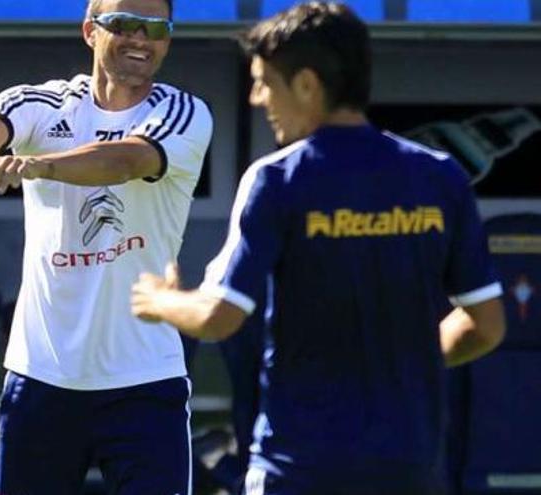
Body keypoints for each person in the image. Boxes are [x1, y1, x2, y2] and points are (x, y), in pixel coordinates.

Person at [130, 3, 506, 495]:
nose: (255, 98)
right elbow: (487, 325)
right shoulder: (441, 176)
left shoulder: (278, 179)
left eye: (264, 81)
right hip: (409, 467)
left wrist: (158, 299)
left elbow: (220, 316)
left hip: (299, 467)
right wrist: (404, 364)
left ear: (307, 85)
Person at [0, 0, 212, 492]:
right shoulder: (41, 103)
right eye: (124, 24)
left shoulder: (184, 113)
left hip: (145, 380)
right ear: (90, 30)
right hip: (40, 377)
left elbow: (124, 162)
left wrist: (40, 165)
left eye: (155, 28)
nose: (141, 38)